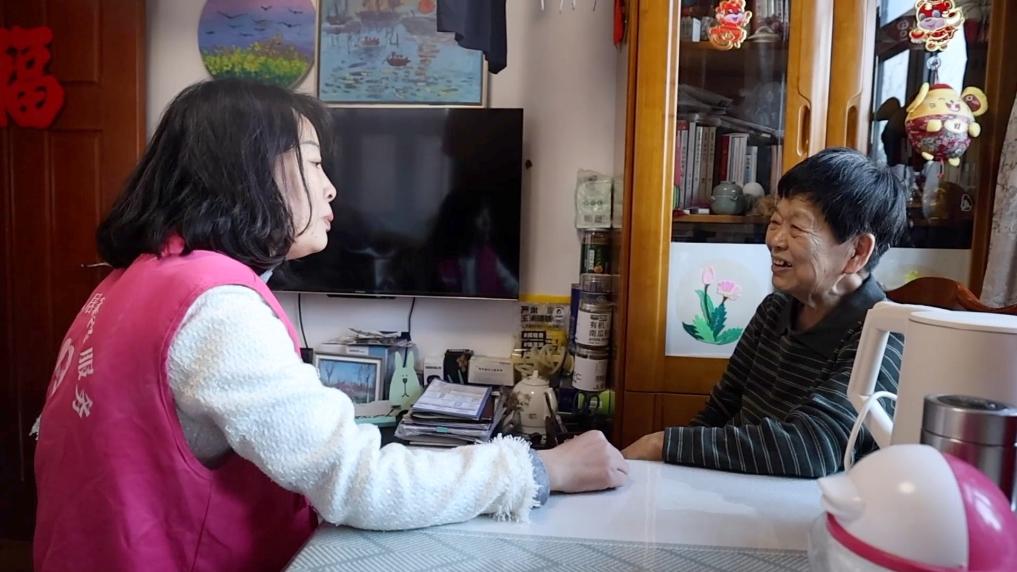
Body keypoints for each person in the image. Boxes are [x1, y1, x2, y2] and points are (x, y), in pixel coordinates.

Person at [33, 79, 628, 572]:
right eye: (314, 163)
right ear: (248, 172)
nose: (330, 186)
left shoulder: (132, 281)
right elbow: (358, 482)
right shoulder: (215, 309)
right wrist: (539, 469)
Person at [622, 148, 907, 478]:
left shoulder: (882, 336)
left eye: (797, 227)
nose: (775, 240)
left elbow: (811, 450)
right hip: (737, 494)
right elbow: (718, 412)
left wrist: (662, 444)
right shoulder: (775, 309)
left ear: (857, 251)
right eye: (775, 221)